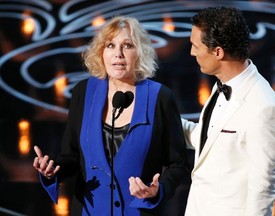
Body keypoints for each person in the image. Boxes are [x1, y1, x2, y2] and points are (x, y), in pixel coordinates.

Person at [33, 16, 188, 216]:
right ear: (101, 52)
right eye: (110, 45)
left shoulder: (160, 97)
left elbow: (179, 164)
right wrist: (53, 170)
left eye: (128, 46)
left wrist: (158, 189)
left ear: (139, 53)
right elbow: (71, 157)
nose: (118, 54)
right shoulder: (83, 92)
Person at [181, 6, 275, 216]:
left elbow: (262, 190)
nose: (191, 52)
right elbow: (209, 140)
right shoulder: (222, 85)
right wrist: (161, 116)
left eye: (195, 45)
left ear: (218, 52)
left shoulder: (265, 108)